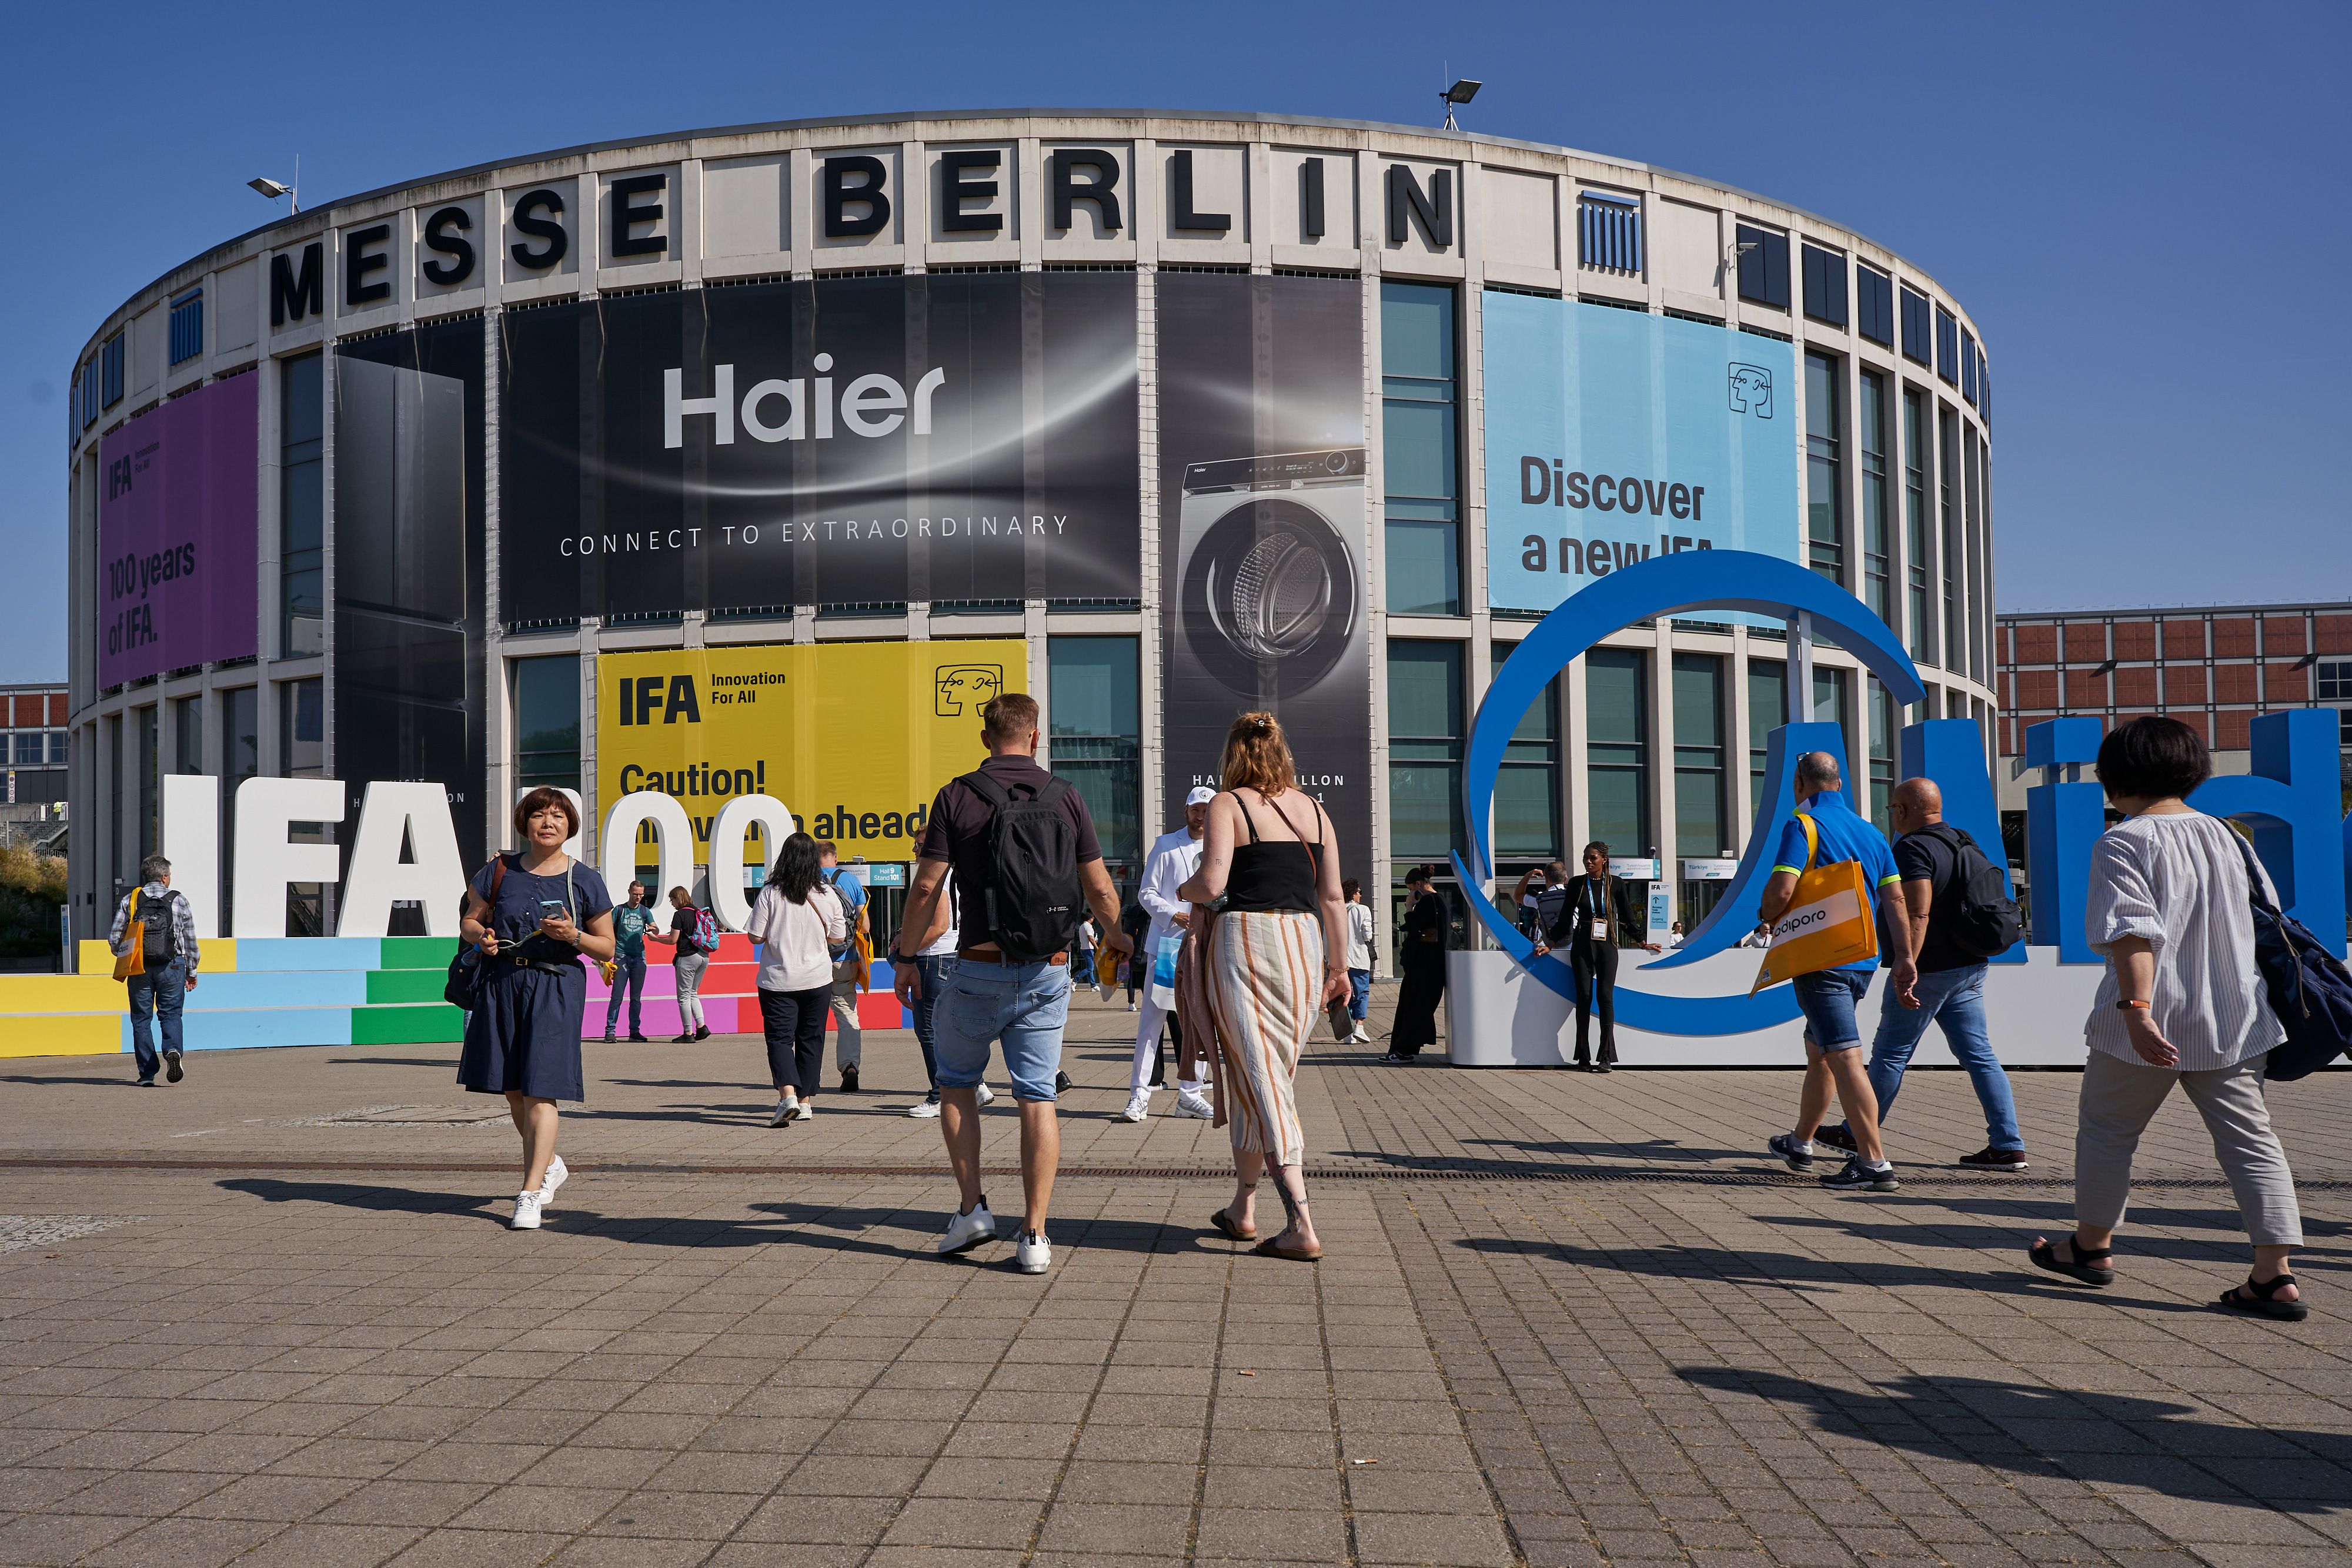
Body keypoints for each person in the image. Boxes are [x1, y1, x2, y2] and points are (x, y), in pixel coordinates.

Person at [2029, 717, 2307, 1320]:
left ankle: (2090, 1247)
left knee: (2108, 1131)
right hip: (2233, 1015)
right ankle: (2274, 1274)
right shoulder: (2229, 837)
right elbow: (2268, 917)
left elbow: (2134, 932)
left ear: (2117, 776)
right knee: (2251, 1141)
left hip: (2147, 1018)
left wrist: (2137, 1010)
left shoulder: (2123, 841)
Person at [895, 692, 1131, 1276]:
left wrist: (906, 956)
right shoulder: (1066, 796)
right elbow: (1099, 888)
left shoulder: (957, 795)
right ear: (1034, 737)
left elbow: (926, 887)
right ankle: (1035, 1235)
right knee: (1037, 1096)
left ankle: (972, 1209)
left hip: (976, 968)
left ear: (985, 738)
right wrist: (1119, 938)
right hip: (1048, 970)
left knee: (955, 1085)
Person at [1180, 711, 1348, 1262]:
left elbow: (1211, 883)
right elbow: (1332, 898)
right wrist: (1340, 969)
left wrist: (1183, 888)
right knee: (1262, 1075)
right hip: (1304, 946)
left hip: (1246, 942)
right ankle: (1243, 1208)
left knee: (1264, 1079)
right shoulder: (1316, 810)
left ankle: (1302, 1220)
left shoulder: (1228, 804)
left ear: (1234, 755)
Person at [1819, 778, 2027, 1169]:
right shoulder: (1962, 840)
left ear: (1902, 810)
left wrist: (1906, 963)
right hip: (1970, 966)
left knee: (1890, 1053)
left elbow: (1917, 911)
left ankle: (1856, 1132)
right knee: (1980, 1055)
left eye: (1892, 809)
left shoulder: (1913, 848)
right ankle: (2008, 1144)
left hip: (1929, 969)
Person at [457, 787, 616, 1229]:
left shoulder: (585, 879)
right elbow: (470, 919)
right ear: (524, 823)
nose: (548, 822)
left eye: (558, 816)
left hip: (556, 984)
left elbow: (606, 946)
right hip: (502, 981)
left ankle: (529, 1194)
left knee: (541, 1088)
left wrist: (572, 936)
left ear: (570, 826)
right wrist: (481, 936)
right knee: (512, 1089)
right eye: (539, 815)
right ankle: (550, 1163)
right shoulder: (499, 870)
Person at [1758, 753, 1905, 1192]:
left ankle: (1873, 1162)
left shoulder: (1802, 825)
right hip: (1862, 960)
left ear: (1800, 784)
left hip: (1821, 961)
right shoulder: (1873, 833)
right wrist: (1906, 956)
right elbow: (1896, 900)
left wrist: (1766, 914)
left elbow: (1782, 889)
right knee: (1820, 1050)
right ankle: (1800, 1142)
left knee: (1843, 1056)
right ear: (1839, 784)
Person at [1122, 785, 1217, 1123]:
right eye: (1196, 809)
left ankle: (1191, 1095)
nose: (1201, 816)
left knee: (1200, 1023)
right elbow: (1147, 892)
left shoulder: (1221, 847)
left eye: (1206, 810)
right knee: (1152, 1023)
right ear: (1186, 810)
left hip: (1203, 946)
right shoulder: (1165, 845)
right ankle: (1139, 1095)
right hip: (1167, 946)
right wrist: (1173, 914)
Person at [743, 833, 848, 1127]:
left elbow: (755, 937)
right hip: (817, 979)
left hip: (778, 981)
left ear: (785, 858)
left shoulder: (770, 893)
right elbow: (838, 937)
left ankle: (787, 1096)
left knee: (780, 1039)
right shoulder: (828, 895)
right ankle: (805, 1102)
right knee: (811, 1039)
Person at [1532, 841, 1662, 1072]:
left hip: (1607, 944)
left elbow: (1627, 917)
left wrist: (1642, 941)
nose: (1588, 861)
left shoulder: (1616, 883)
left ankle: (1606, 1057)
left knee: (1605, 998)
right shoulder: (1576, 883)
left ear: (1604, 860)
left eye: (1593, 858)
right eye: (1586, 857)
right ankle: (1583, 1056)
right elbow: (1565, 917)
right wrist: (1551, 943)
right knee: (1583, 997)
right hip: (1582, 944)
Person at [891, 867, 998, 1119]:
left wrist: (905, 952)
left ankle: (941, 1095)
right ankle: (976, 1085)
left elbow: (939, 926)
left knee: (929, 1031)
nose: (916, 851)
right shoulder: (960, 874)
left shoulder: (936, 876)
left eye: (921, 847)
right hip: (952, 954)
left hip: (933, 958)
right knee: (948, 1028)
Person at [108, 854, 200, 1086]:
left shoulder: (131, 900)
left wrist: (126, 955)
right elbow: (190, 941)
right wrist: (192, 971)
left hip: (139, 967)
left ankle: (147, 1074)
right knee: (170, 1014)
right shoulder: (179, 900)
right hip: (173, 965)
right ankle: (173, 1050)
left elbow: (114, 938)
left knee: (141, 1020)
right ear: (164, 877)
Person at [817, 843, 869, 1092]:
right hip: (845, 957)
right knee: (847, 1015)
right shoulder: (850, 880)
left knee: (810, 1018)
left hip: (813, 959)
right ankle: (850, 1066)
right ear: (835, 858)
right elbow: (865, 926)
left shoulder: (805, 880)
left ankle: (807, 1074)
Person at [1387, 867, 1447, 1062]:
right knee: (1416, 1007)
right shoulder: (1439, 900)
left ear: (1418, 885)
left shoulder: (1429, 901)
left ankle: (1403, 1051)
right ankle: (1404, 1049)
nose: (1410, 893)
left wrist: (1409, 908)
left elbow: (1415, 928)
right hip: (1431, 965)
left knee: (1411, 1008)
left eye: (1410, 888)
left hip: (1423, 965)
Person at [645, 887, 713, 1042]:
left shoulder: (680, 915)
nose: (672, 903)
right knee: (693, 993)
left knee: (683, 997)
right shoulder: (698, 911)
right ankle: (702, 1026)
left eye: (672, 900)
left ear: (678, 898)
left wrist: (655, 939)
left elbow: (672, 940)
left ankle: (688, 1033)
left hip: (687, 957)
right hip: (704, 956)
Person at [602, 879, 656, 1043]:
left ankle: (634, 1031)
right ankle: (610, 1031)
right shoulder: (619, 910)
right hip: (621, 955)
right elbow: (607, 929)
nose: (638, 897)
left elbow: (655, 928)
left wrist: (653, 929)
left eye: (641, 895)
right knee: (617, 996)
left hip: (639, 957)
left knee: (636, 998)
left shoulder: (645, 911)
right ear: (629, 892)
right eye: (635, 894)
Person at [1328, 878, 1375, 1045]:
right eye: (1359, 892)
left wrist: (1327, 958)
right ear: (1354, 893)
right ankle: (1359, 1027)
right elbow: (1367, 935)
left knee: (1342, 995)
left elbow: (1327, 936)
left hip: (1339, 961)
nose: (1360, 895)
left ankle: (1347, 1033)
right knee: (1361, 993)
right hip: (1359, 958)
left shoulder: (1335, 911)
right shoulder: (1363, 910)